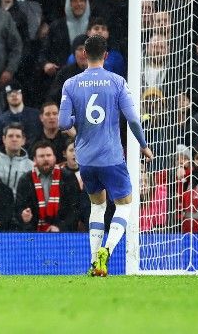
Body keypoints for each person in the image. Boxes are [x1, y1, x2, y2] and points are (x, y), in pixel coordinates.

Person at [58, 35, 153, 277]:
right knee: (124, 205)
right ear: (106, 55)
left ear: (84, 54)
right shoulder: (117, 81)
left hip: (86, 159)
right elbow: (132, 119)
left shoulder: (70, 84)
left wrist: (75, 120)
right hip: (111, 157)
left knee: (97, 206)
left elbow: (62, 123)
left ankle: (93, 261)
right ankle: (107, 252)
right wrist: (143, 145)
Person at [15, 141, 81, 232]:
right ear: (34, 159)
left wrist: (59, 227)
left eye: (49, 155)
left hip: (63, 234)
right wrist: (23, 215)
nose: (46, 159)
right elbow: (19, 207)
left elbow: (74, 208)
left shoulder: (68, 177)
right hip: (34, 233)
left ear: (54, 157)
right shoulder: (25, 179)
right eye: (41, 156)